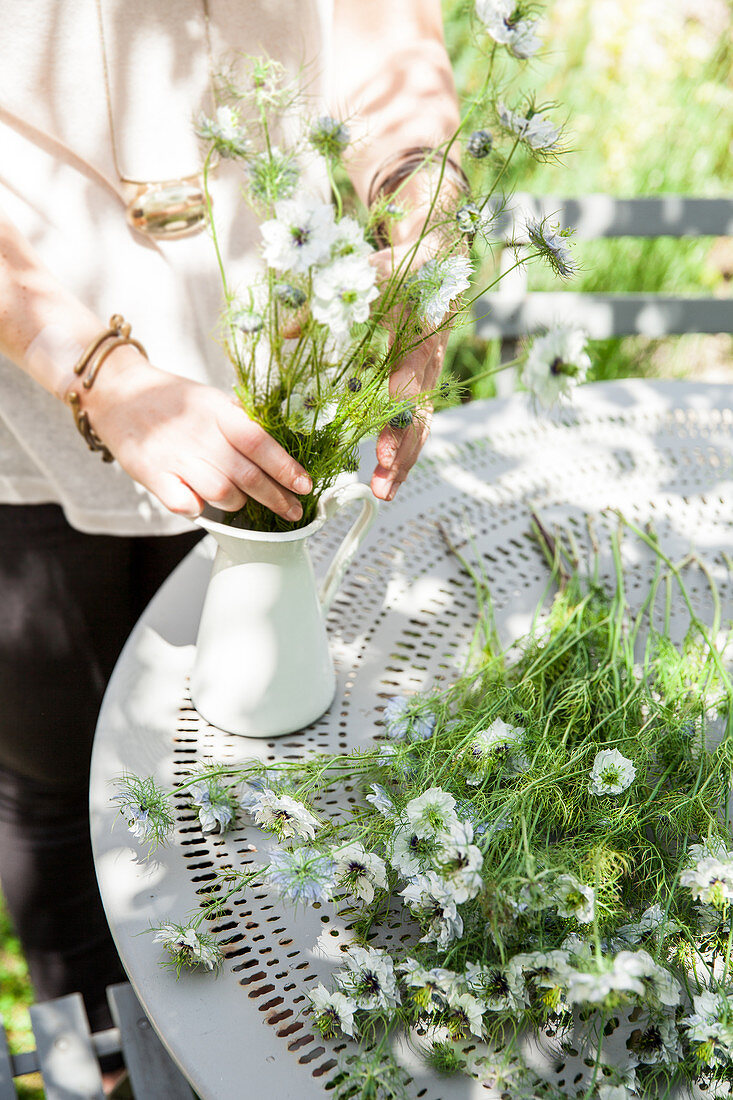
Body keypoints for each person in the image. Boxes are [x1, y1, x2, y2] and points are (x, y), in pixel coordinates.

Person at [0, 0, 460, 1082]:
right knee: (51, 768)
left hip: (279, 332)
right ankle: (105, 1059)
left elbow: (384, 30)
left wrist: (423, 232)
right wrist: (98, 371)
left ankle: (258, 1033)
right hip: (23, 365)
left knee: (268, 746)